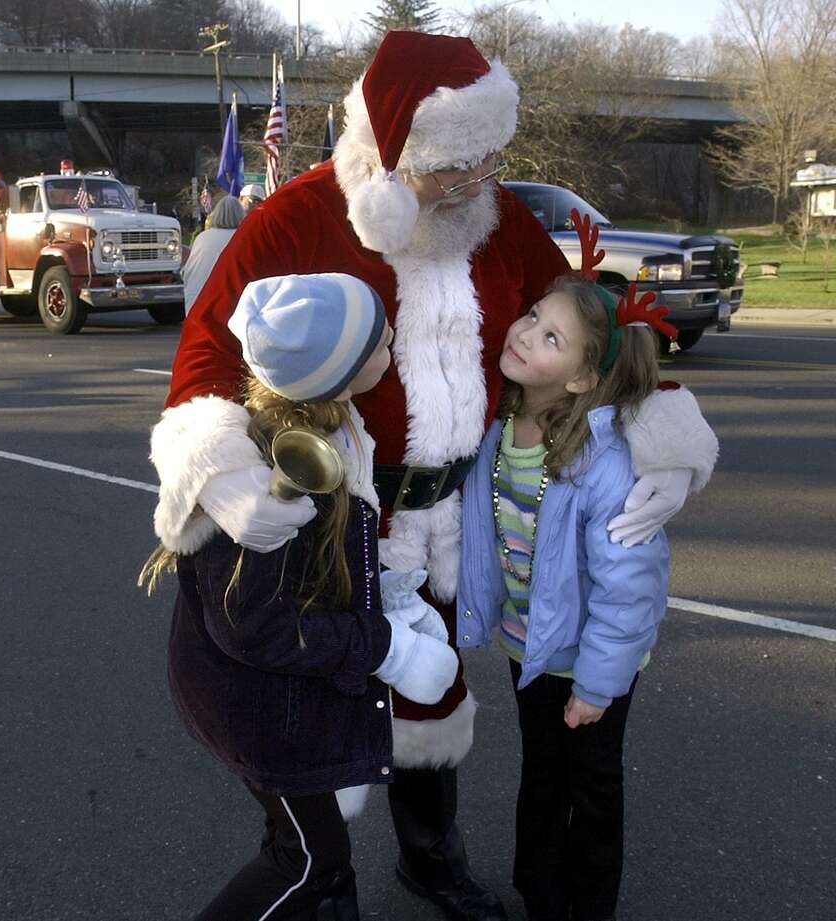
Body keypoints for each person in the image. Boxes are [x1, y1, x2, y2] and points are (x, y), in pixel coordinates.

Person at [149, 31, 718, 921]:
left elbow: (591, 337)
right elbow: (207, 357)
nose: (478, 180)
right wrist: (220, 470)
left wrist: (661, 441)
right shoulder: (296, 218)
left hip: (453, 515)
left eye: (490, 158)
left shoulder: (497, 220)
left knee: (430, 685)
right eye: (456, 165)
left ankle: (428, 853)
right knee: (320, 689)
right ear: (390, 158)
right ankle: (319, 866)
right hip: (335, 515)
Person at [143, 273, 460, 920]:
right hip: (259, 708)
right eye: (378, 342)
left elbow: (329, 562)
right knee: (310, 857)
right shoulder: (263, 486)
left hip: (277, 698)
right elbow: (255, 625)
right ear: (335, 374)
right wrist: (383, 646)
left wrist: (390, 594)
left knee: (301, 838)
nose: (392, 343)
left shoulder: (333, 424)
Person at [458, 273, 673, 921]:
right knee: (543, 774)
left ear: (580, 379)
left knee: (594, 785)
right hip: (531, 649)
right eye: (530, 314)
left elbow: (627, 589)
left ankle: (589, 904)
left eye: (551, 336)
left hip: (593, 663)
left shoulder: (604, 464)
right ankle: (543, 893)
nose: (524, 331)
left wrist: (597, 684)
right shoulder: (498, 426)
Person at [181, 195, 244, 315]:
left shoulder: (202, 238)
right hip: (225, 309)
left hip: (194, 306)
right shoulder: (242, 237)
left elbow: (187, 272)